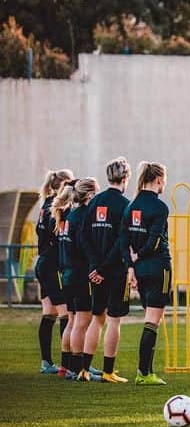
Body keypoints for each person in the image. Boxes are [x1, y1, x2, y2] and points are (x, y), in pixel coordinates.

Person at [81, 157, 133, 383]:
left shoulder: (95, 202)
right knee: (114, 320)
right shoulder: (125, 204)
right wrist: (101, 267)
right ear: (125, 178)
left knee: (96, 318)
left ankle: (84, 370)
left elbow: (83, 236)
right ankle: (108, 371)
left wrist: (93, 265)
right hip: (115, 271)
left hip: (96, 272)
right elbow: (121, 242)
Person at [122, 161, 171, 385]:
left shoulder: (131, 205)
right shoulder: (160, 208)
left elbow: (123, 241)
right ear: (159, 180)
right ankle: (144, 373)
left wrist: (131, 266)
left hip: (140, 270)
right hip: (158, 267)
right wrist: (139, 256)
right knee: (153, 320)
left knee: (149, 318)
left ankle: (147, 371)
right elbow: (154, 242)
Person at [55, 178, 97, 380]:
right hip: (80, 275)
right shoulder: (83, 216)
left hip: (67, 274)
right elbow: (84, 246)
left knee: (72, 320)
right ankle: (80, 368)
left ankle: (66, 367)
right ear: (89, 195)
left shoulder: (69, 215)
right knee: (82, 320)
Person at [35, 169, 73, 374]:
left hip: (42, 263)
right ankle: (67, 364)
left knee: (49, 313)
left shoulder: (45, 204)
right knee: (66, 313)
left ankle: (47, 362)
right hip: (52, 266)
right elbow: (57, 237)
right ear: (64, 185)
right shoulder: (56, 207)